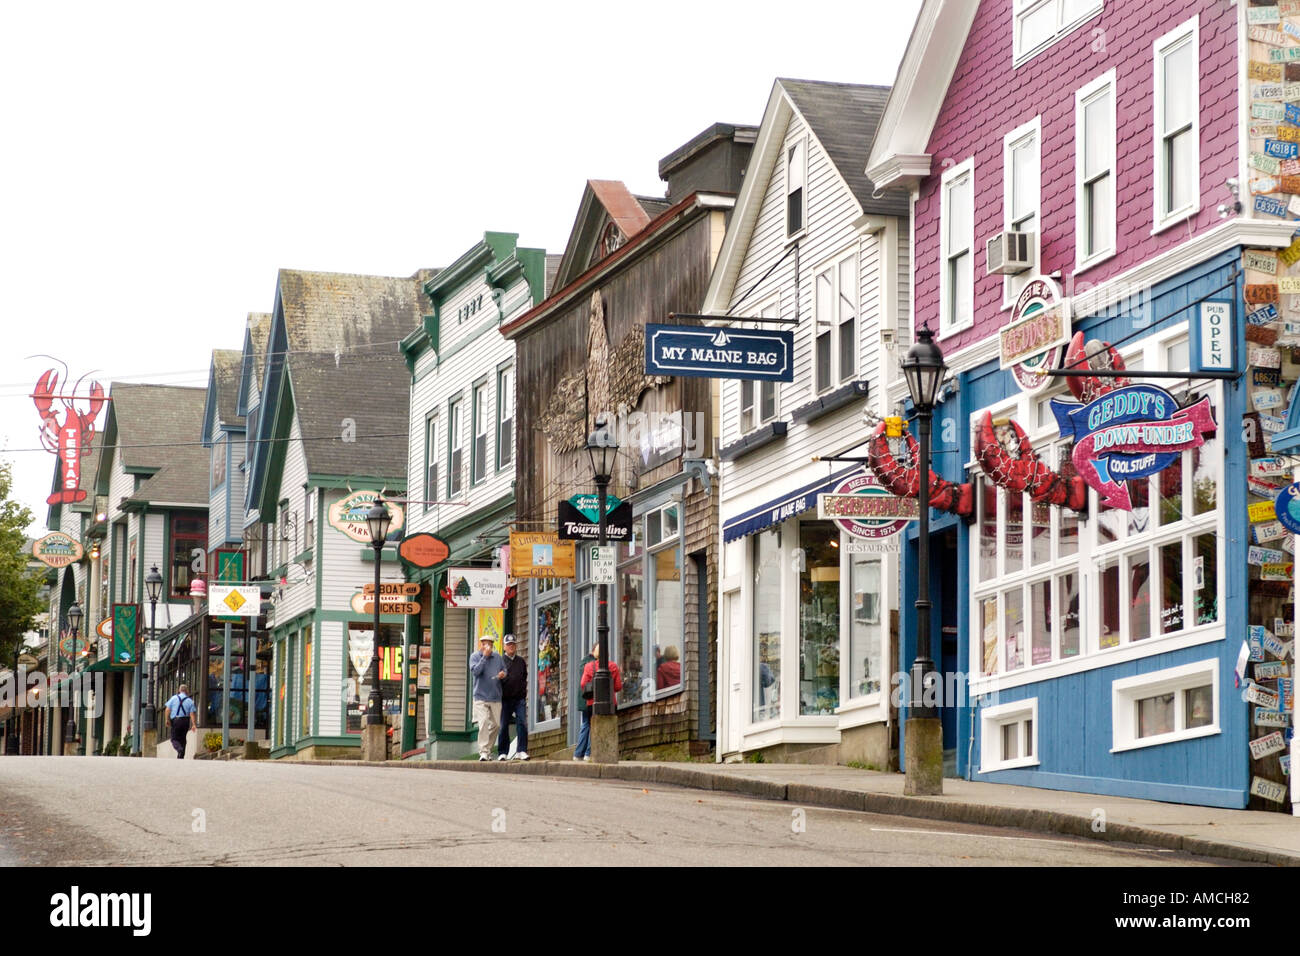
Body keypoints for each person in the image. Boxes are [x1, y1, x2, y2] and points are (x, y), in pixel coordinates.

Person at [576, 643, 622, 761]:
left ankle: (583, 754)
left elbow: (583, 684)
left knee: (589, 724)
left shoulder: (588, 666)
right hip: (610, 702)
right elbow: (618, 687)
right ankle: (596, 752)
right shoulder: (613, 666)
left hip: (592, 702)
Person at [469, 635, 504, 761]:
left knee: (496, 725)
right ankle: (483, 751)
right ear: (481, 644)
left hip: (495, 696)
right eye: (485, 644)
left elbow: (504, 670)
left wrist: (502, 674)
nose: (487, 646)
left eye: (490, 644)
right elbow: (476, 672)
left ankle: (487, 749)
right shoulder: (475, 657)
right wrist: (484, 657)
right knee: (483, 722)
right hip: (480, 696)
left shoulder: (498, 657)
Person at [496, 634, 529, 761]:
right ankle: (503, 752)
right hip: (505, 698)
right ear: (504, 647)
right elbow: (496, 680)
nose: (511, 646)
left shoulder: (521, 661)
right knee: (504, 725)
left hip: (519, 698)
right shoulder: (500, 661)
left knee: (522, 723)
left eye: (513, 644)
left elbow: (524, 677)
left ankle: (521, 750)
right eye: (509, 644)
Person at [573, 646, 596, 761]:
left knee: (586, 724)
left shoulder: (584, 662)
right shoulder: (590, 663)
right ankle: (587, 753)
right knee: (590, 724)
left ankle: (578, 753)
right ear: (593, 651)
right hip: (589, 699)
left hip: (585, 699)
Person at [163, 684, 197, 759]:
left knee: (174, 738)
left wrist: (167, 719)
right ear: (187, 691)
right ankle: (181, 756)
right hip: (185, 721)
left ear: (179, 690)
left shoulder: (174, 698)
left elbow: (167, 709)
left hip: (176, 721)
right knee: (183, 738)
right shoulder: (190, 701)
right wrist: (194, 724)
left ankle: (179, 749)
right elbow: (192, 714)